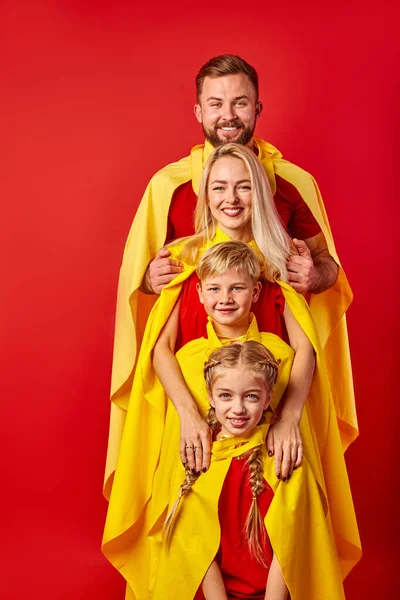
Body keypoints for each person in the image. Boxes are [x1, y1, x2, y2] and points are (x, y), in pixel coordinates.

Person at [105, 54, 356, 501]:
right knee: (193, 494)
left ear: (257, 109)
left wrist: (314, 273)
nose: (227, 115)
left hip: (271, 373)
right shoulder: (170, 186)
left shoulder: (290, 184)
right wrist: (148, 277)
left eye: (240, 103)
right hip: (193, 370)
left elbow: (327, 270)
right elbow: (142, 285)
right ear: (199, 111)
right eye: (216, 103)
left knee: (281, 495)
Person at [102, 237, 360, 599]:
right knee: (187, 500)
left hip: (262, 467)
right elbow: (159, 350)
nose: (225, 298)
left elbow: (306, 352)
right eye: (215, 289)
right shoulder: (190, 360)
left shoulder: (278, 353)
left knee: (297, 490)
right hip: (209, 466)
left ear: (255, 293)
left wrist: (287, 418)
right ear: (201, 295)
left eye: (237, 288)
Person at [152, 341, 346, 600]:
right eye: (225, 396)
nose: (238, 408)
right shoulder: (199, 458)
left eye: (251, 396)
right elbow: (196, 546)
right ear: (210, 396)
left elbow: (290, 545)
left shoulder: (284, 457)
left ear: (268, 398)